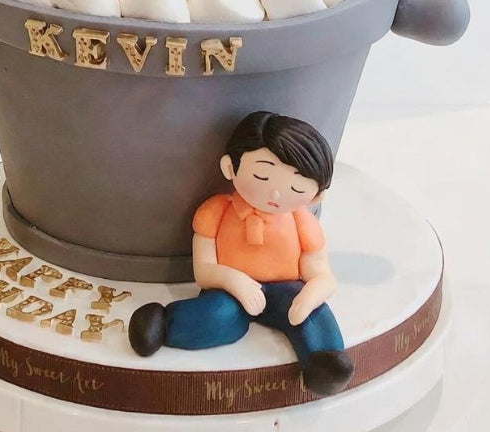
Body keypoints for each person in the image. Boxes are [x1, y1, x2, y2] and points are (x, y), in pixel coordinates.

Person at [128, 111, 354, 396]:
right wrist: (236, 281)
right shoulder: (216, 212)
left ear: (317, 195)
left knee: (312, 313)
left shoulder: (303, 223)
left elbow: (323, 277)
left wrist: (306, 299)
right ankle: (162, 325)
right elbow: (204, 271)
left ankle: (325, 362)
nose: (275, 194)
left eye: (296, 186)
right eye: (262, 175)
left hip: (286, 289)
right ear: (230, 167)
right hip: (229, 289)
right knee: (221, 315)